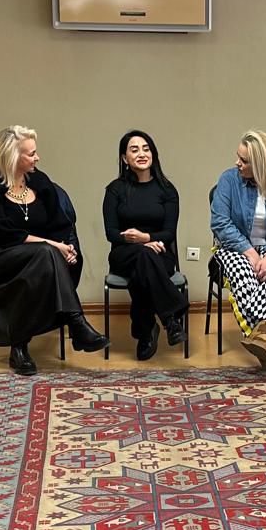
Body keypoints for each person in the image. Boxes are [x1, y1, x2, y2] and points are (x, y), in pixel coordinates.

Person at [0, 125, 108, 376]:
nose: (37, 158)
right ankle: (76, 323)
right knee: (45, 254)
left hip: (37, 259)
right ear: (12, 156)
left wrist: (67, 248)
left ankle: (19, 348)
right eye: (31, 153)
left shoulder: (40, 181)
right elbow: (3, 234)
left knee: (41, 263)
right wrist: (54, 246)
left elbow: (60, 224)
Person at [211, 130, 266, 368]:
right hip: (235, 247)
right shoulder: (228, 180)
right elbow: (220, 223)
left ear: (261, 164)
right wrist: (249, 252)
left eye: (244, 160)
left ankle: (264, 338)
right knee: (244, 275)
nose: (237, 163)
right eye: (238, 157)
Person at [103, 130, 186, 360]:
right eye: (134, 149)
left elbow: (169, 233)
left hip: (160, 253)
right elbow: (111, 233)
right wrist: (140, 242)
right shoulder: (115, 190)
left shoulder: (167, 190)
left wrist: (145, 238)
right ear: (124, 158)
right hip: (123, 254)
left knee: (144, 263)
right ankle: (171, 318)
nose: (141, 154)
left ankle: (146, 330)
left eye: (146, 149)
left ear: (153, 154)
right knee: (142, 256)